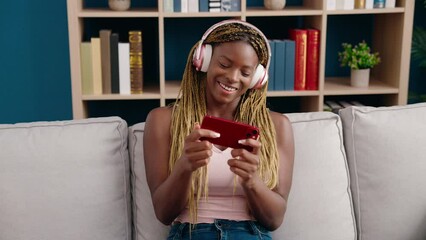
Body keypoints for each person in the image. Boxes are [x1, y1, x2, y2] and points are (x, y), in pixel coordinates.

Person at [143, 19, 295, 239]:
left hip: (251, 233)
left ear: (257, 79)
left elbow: (274, 219)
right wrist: (184, 167)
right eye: (224, 64)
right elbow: (163, 213)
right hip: (191, 233)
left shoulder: (277, 126)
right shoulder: (162, 120)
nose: (233, 78)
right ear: (203, 60)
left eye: (245, 72)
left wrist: (252, 181)